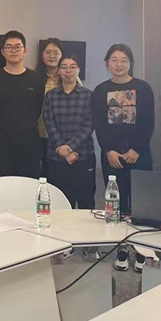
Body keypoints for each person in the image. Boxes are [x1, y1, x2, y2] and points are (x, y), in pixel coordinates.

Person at [91, 43, 154, 272]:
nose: (119, 64)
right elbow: (99, 124)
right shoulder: (100, 91)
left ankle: (141, 251)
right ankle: (121, 250)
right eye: (114, 60)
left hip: (139, 154)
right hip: (112, 155)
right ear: (107, 63)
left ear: (130, 63)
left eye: (124, 60)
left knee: (140, 204)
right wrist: (108, 150)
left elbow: (149, 122)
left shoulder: (143, 88)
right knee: (116, 205)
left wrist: (137, 149)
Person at [0, 31, 45, 178]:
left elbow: (37, 109)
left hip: (28, 142)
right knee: (1, 184)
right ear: (3, 51)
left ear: (25, 50)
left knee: (28, 184)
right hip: (0, 142)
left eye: (17, 47)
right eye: (9, 47)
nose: (13, 51)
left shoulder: (36, 79)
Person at [43, 53, 96, 209]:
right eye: (64, 67)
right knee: (60, 204)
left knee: (86, 203)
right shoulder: (51, 96)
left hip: (82, 156)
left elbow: (89, 124)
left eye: (72, 67)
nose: (68, 71)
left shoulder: (88, 95)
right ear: (59, 71)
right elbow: (49, 123)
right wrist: (64, 150)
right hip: (56, 157)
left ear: (78, 69)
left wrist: (70, 147)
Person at [37, 38, 65, 175]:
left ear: (62, 55)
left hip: (62, 135)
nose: (52, 56)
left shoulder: (70, 77)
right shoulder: (35, 77)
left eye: (56, 52)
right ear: (42, 55)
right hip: (40, 133)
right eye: (48, 52)